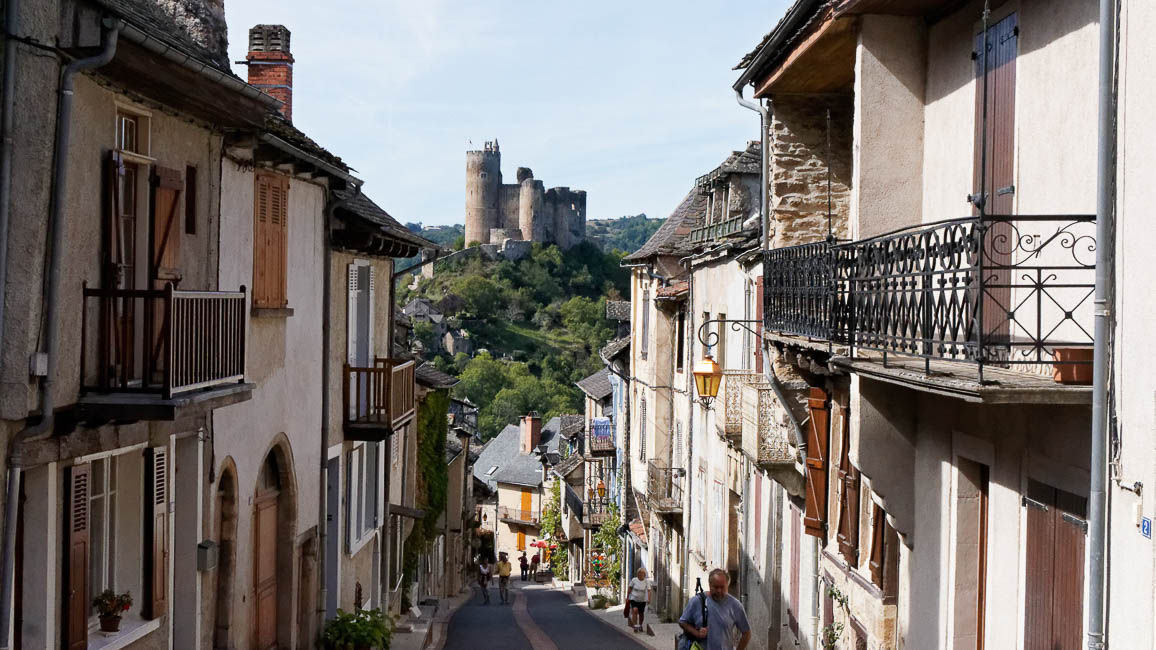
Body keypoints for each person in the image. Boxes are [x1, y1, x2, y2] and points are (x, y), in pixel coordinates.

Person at [678, 569, 751, 650]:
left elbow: (746, 633)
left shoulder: (735, 605)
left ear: (727, 585)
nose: (719, 590)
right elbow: (682, 621)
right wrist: (697, 633)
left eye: (722, 587)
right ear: (709, 585)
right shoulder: (697, 601)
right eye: (715, 587)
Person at [627, 567, 653, 633]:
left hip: (642, 600)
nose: (641, 575)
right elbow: (630, 588)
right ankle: (635, 626)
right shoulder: (634, 580)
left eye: (642, 573)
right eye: (639, 573)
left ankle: (640, 625)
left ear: (644, 574)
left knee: (641, 614)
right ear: (637, 574)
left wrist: (649, 599)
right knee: (635, 610)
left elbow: (649, 590)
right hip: (634, 599)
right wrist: (627, 597)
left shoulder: (646, 581)